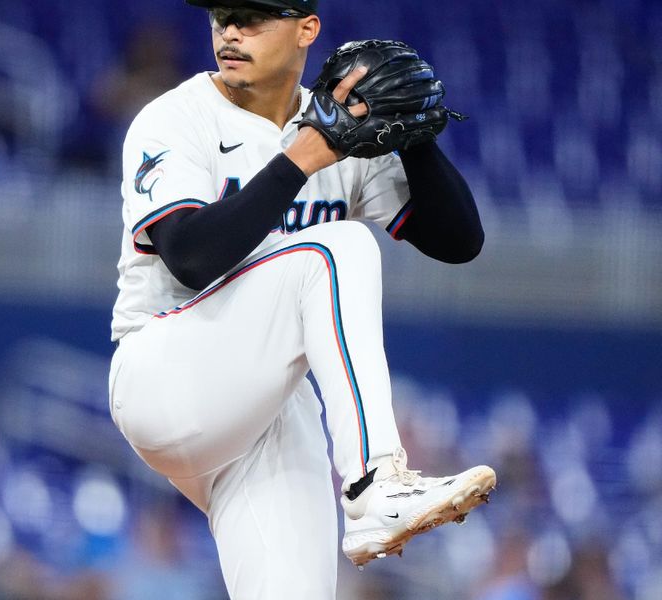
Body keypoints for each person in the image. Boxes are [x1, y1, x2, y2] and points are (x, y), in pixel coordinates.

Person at [108, 1, 496, 597]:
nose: (231, 31)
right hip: (164, 371)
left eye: (254, 15)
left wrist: (413, 134)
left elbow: (460, 241)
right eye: (222, 16)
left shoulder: (338, 130)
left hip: (266, 408)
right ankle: (376, 487)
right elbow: (188, 256)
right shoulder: (174, 119)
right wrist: (303, 156)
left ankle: (373, 491)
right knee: (336, 247)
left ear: (306, 29)